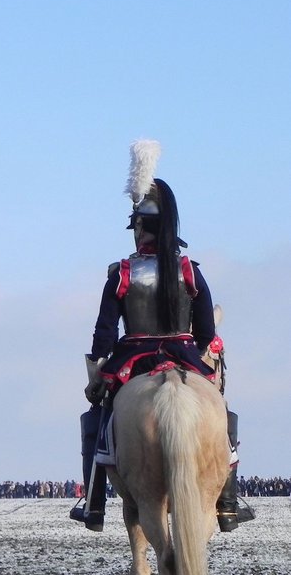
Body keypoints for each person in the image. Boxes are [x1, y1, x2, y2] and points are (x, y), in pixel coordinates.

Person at [71, 140, 254, 533]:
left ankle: (93, 501)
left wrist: (99, 366)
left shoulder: (122, 273)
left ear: (141, 228)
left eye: (136, 225)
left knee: (99, 414)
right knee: (219, 408)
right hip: (184, 353)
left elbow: (104, 330)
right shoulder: (189, 271)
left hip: (133, 356)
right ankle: (227, 503)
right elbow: (206, 329)